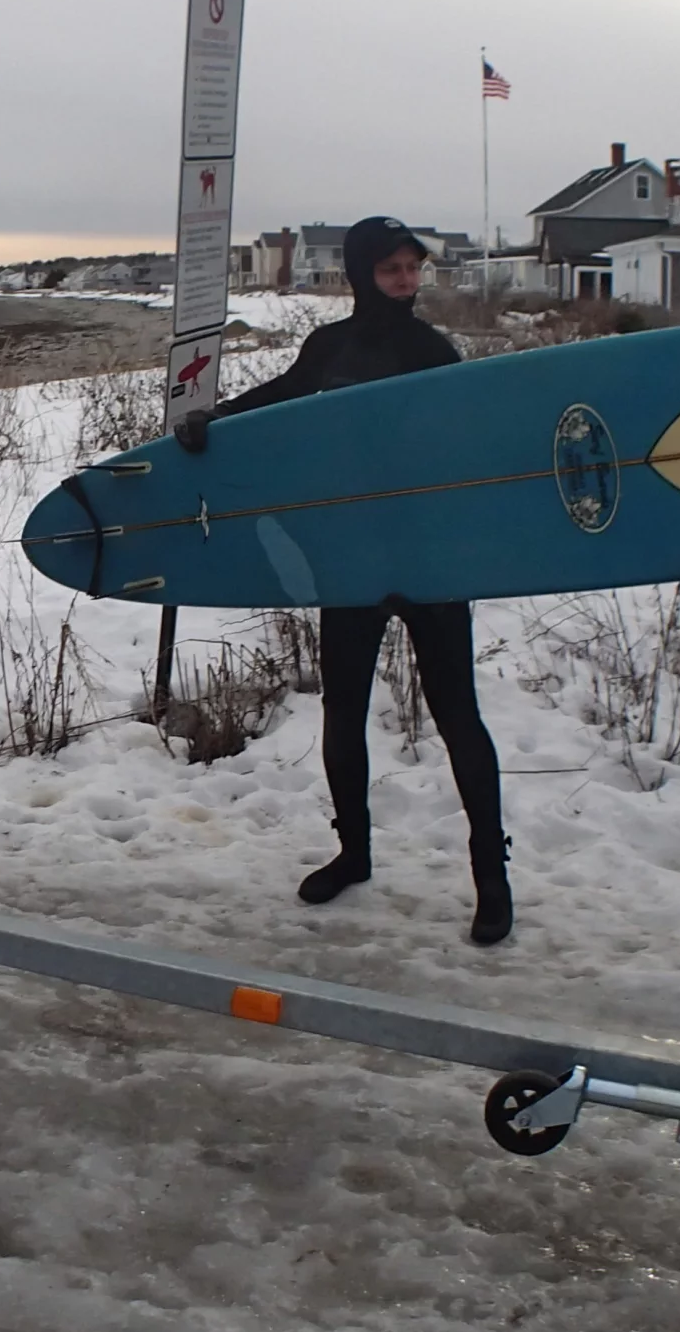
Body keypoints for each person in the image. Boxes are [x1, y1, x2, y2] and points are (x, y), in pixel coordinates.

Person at [176, 215, 511, 943]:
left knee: (458, 716)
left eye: (412, 269)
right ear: (364, 273)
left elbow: (472, 444)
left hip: (427, 557)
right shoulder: (329, 348)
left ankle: (492, 877)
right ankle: (353, 854)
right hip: (353, 556)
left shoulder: (435, 353)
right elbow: (283, 401)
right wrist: (213, 422)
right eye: (391, 269)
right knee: (343, 711)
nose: (405, 281)